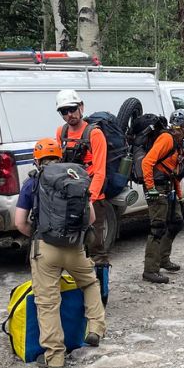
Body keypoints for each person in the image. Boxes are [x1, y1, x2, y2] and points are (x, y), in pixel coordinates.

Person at [13, 137, 107, 368]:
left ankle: (54, 357)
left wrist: (37, 236)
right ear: (60, 156)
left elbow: (19, 223)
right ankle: (95, 329)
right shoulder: (75, 177)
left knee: (47, 302)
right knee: (89, 283)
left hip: (45, 248)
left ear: (37, 160)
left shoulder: (32, 182)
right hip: (75, 247)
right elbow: (92, 218)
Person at [54, 89, 113, 296]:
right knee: (69, 246)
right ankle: (75, 292)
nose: (69, 114)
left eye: (71, 109)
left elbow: (100, 170)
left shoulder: (94, 134)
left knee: (96, 246)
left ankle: (101, 294)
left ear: (81, 107)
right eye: (64, 111)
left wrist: (90, 198)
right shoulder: (61, 133)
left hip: (92, 198)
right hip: (69, 198)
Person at [141, 109, 184, 284]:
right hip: (157, 188)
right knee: (158, 228)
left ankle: (163, 259)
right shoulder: (167, 139)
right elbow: (147, 162)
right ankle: (150, 270)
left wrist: (179, 195)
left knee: (176, 222)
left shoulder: (178, 142)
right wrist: (150, 188)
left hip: (169, 186)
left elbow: (174, 171)